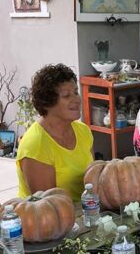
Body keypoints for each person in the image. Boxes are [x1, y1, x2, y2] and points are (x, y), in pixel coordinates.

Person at [16, 64, 93, 201]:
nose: (76, 99)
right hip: (50, 218)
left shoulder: (83, 131)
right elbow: (48, 205)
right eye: (66, 95)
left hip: (86, 212)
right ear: (47, 103)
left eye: (76, 92)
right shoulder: (35, 145)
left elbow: (93, 179)